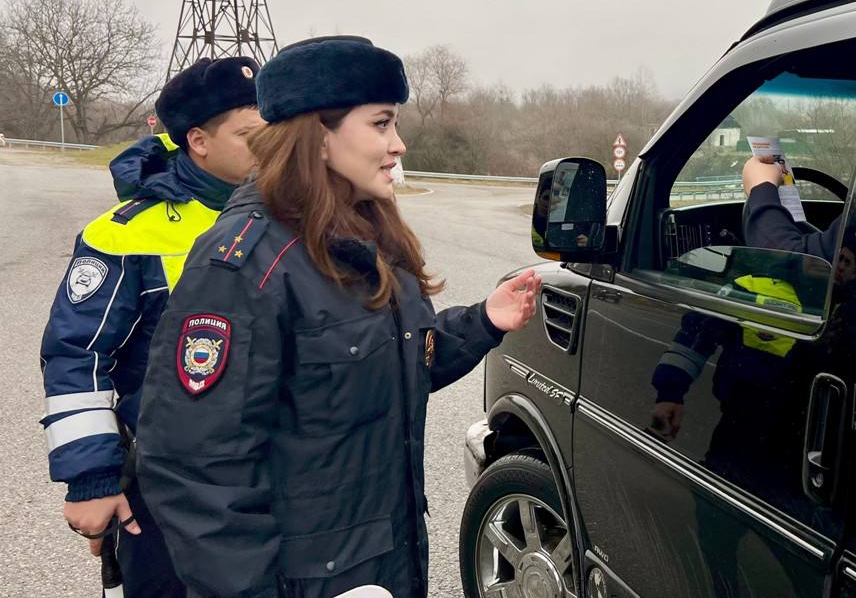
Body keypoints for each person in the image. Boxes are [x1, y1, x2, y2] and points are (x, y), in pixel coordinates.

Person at [135, 36, 542, 598]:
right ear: (316, 135)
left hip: (381, 566)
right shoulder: (243, 264)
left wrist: (483, 323)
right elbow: (196, 467)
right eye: (381, 123)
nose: (399, 145)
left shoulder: (369, 234)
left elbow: (385, 368)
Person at [38, 56, 264, 597]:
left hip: (276, 473)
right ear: (198, 141)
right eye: (252, 135)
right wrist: (91, 479)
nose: (272, 147)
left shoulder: (293, 216)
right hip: (167, 484)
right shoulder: (126, 233)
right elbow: (77, 354)